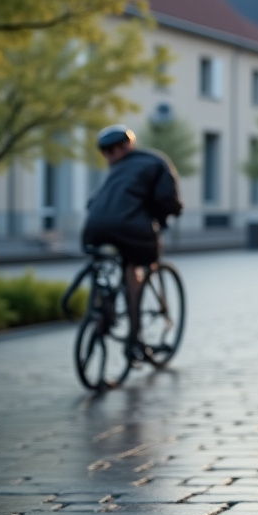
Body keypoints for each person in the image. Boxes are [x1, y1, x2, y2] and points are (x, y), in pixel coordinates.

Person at [81, 125, 183, 360]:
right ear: (130, 144)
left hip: (93, 227)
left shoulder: (114, 171)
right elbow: (168, 200)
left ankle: (101, 310)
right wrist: (167, 214)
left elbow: (93, 201)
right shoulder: (155, 161)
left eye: (109, 152)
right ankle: (134, 339)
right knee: (134, 267)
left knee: (100, 267)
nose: (109, 157)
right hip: (131, 229)